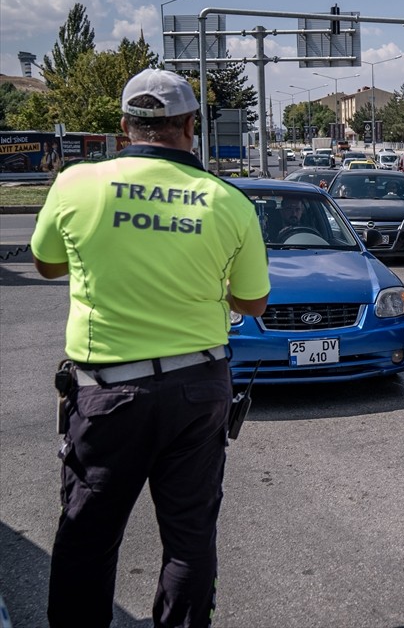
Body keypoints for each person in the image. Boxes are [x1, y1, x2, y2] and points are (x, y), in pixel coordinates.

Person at [31, 68, 271, 628]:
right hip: (199, 390)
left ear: (124, 127)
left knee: (87, 536)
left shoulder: (75, 184)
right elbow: (253, 303)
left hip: (106, 393)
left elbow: (45, 264)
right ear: (191, 126)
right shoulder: (229, 201)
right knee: (189, 540)